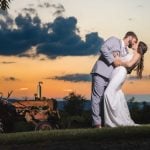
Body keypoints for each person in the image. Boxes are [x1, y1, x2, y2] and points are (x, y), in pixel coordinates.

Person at [91, 31, 138, 128]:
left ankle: (105, 123)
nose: (135, 42)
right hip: (100, 72)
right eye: (134, 40)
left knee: (106, 99)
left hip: (112, 78)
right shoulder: (114, 40)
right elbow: (103, 48)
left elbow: (125, 66)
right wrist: (114, 60)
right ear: (129, 37)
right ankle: (97, 124)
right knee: (97, 98)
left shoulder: (126, 52)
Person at [104, 41, 148, 127]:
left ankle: (112, 121)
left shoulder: (137, 54)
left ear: (138, 47)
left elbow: (129, 64)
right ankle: (117, 120)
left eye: (136, 43)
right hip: (118, 72)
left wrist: (118, 60)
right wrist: (117, 58)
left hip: (120, 72)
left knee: (108, 94)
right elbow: (129, 67)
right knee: (116, 96)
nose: (134, 44)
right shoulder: (134, 54)